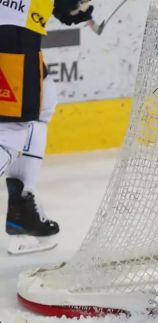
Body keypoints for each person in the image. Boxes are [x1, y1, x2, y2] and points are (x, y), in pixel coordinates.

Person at [1, 0, 93, 254]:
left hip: (15, 27)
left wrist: (70, 9)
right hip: (12, 30)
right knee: (11, 131)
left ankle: (22, 207)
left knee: (44, 100)